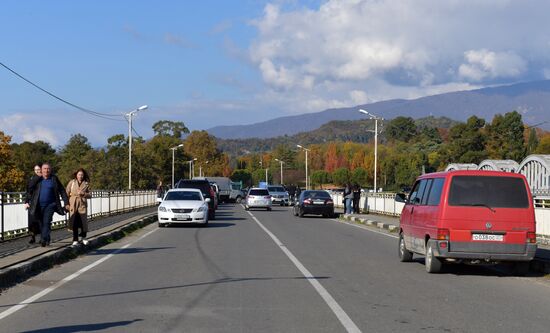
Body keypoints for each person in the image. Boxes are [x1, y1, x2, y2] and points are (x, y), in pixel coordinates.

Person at [29, 163, 70, 247]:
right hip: (38, 205)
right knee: (41, 223)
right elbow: (29, 187)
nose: (46, 170)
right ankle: (46, 239)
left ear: (50, 170)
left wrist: (66, 203)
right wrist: (37, 177)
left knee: (47, 222)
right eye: (44, 169)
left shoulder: (54, 179)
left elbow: (62, 190)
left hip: (51, 204)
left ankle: (43, 239)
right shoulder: (37, 179)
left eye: (48, 169)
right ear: (41, 170)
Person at [66, 168, 91, 246]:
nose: (80, 176)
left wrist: (83, 193)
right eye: (79, 174)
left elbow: (90, 195)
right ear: (76, 175)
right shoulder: (72, 182)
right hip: (73, 204)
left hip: (82, 204)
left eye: (82, 175)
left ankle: (83, 237)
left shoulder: (86, 184)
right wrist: (66, 204)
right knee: (74, 222)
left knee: (83, 222)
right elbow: (66, 193)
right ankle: (75, 239)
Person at [24, 164, 42, 244]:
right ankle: (32, 237)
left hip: (41, 202)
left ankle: (42, 237)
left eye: (39, 169)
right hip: (32, 202)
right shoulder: (32, 179)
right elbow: (28, 191)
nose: (38, 171)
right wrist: (26, 202)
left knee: (41, 221)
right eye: (36, 170)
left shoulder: (43, 179)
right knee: (31, 221)